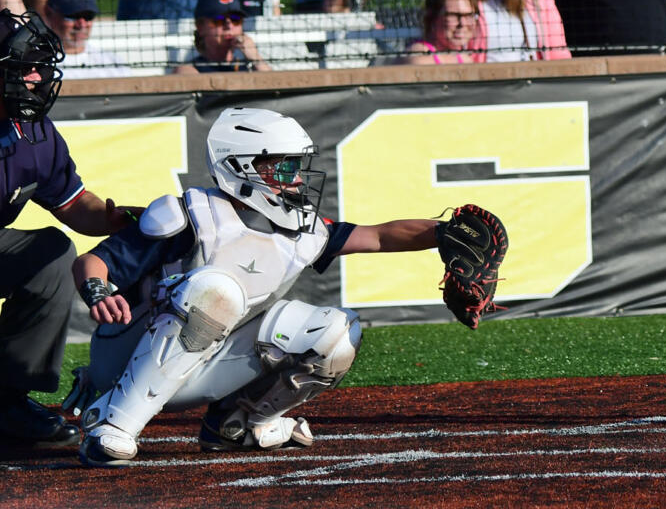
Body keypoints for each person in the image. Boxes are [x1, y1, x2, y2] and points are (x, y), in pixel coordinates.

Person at [68, 107, 503, 466]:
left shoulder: (303, 230)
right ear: (242, 167)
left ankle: (238, 424)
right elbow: (94, 261)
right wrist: (99, 292)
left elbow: (381, 235)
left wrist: (444, 234)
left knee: (336, 333)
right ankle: (113, 424)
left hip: (205, 364)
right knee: (216, 288)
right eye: (285, 167)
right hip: (125, 356)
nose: (297, 179)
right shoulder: (189, 214)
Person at [0, 9, 140, 448]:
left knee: (53, 254)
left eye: (41, 67)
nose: (37, 78)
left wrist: (116, 218)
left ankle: (5, 402)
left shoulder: (31, 130)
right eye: (26, 68)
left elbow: (74, 203)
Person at [44, 0, 130, 79]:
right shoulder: (36, 66)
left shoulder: (114, 64)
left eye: (88, 16)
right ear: (49, 13)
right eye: (73, 15)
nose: (82, 24)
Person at [172, 0, 270, 75]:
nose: (229, 26)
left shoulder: (251, 67)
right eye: (219, 20)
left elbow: (274, 88)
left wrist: (256, 58)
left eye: (235, 19)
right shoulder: (191, 70)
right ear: (200, 27)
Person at [402, 0, 479, 65]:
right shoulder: (419, 58)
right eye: (453, 15)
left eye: (469, 15)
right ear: (433, 17)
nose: (462, 24)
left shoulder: (465, 60)